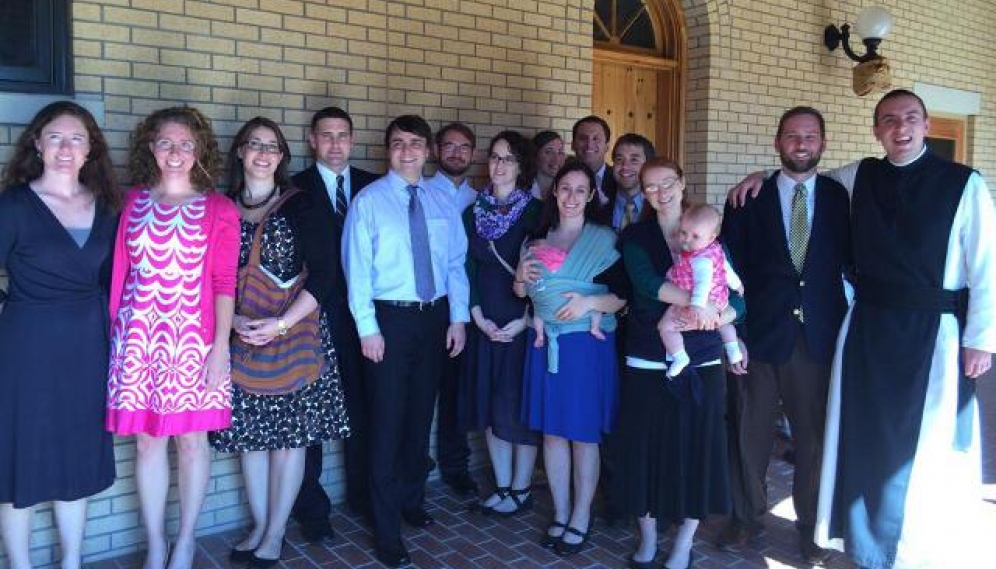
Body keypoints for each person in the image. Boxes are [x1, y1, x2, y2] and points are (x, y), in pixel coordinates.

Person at [728, 89, 996, 569]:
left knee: (922, 439)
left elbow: (986, 266)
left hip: (932, 332)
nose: (900, 128)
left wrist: (981, 338)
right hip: (867, 329)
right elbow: (804, 179)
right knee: (860, 433)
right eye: (889, 120)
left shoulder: (965, 183)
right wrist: (762, 177)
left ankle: (915, 538)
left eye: (910, 118)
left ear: (927, 124)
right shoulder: (860, 176)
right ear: (876, 130)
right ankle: (854, 530)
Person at [208, 117, 350, 566]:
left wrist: (282, 323)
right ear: (240, 152)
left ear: (283, 156)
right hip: (244, 335)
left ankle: (274, 533)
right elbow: (211, 277)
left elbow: (326, 274)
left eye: (272, 146)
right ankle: (259, 524)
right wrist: (233, 325)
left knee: (289, 441)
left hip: (295, 336)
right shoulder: (222, 208)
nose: (264, 153)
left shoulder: (302, 206)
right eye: (255, 145)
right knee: (250, 439)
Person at [105, 106, 239, 569]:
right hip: (137, 339)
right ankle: (156, 543)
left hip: (195, 342)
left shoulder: (219, 208)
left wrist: (221, 346)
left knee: (192, 442)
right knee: (146, 442)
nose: (176, 152)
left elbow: (225, 282)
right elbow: (119, 276)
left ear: (199, 149)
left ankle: (185, 541)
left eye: (185, 143)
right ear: (151, 147)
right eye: (165, 142)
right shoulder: (130, 202)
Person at [718, 106, 851, 566]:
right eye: (792, 136)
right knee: (748, 431)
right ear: (777, 142)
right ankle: (746, 517)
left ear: (823, 143)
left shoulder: (841, 198)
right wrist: (731, 331)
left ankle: (811, 526)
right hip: (758, 335)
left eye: (810, 136)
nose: (801, 144)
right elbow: (727, 266)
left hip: (816, 337)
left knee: (812, 439)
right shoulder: (746, 199)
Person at [342, 115, 470, 568]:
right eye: (398, 144)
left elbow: (455, 264)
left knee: (420, 416)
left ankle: (411, 500)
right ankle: (386, 525)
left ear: (429, 149)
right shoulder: (369, 202)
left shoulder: (441, 201)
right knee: (387, 423)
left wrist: (457, 320)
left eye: (416, 143)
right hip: (389, 322)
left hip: (433, 319)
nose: (408, 151)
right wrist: (367, 328)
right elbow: (356, 272)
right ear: (387, 150)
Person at [0, 101, 119, 569]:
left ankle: (72, 561)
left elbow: (118, 281)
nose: (65, 148)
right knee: (20, 455)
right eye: (55, 137)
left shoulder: (107, 209)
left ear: (90, 149)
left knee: (77, 455)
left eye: (76, 139)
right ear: (37, 143)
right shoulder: (13, 205)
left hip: (88, 349)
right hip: (24, 350)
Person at [611, 157, 732, 569]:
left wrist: (722, 315)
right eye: (649, 186)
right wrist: (701, 305)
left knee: (698, 451)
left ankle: (683, 543)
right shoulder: (635, 236)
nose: (660, 192)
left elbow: (740, 298)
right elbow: (647, 285)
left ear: (682, 182)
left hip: (702, 361)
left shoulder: (711, 235)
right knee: (643, 451)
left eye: (667, 183)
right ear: (642, 193)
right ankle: (647, 536)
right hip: (647, 358)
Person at [514, 161, 627, 557]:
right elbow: (524, 293)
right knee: (552, 433)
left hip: (585, 348)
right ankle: (560, 513)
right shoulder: (536, 238)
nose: (572, 196)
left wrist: (588, 301)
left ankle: (582, 514)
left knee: (583, 435)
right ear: (554, 192)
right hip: (546, 346)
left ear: (592, 195)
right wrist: (519, 276)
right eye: (565, 188)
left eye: (581, 189)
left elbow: (622, 297)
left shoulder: (605, 239)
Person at [290, 106, 378, 538]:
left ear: (352, 138)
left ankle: (363, 496)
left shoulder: (371, 186)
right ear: (311, 140)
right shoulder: (294, 189)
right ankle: (312, 511)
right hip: (312, 316)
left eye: (343, 135)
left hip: (363, 320)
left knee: (362, 407)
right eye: (326, 136)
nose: (336, 143)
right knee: (311, 417)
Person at [459, 131, 543, 516]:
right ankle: (504, 485)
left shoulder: (537, 213)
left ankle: (522, 489)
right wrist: (476, 315)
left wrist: (526, 320)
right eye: (494, 157)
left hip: (522, 326)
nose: (500, 165)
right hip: (485, 324)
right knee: (491, 410)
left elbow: (546, 276)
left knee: (517, 409)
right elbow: (466, 268)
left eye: (509, 159)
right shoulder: (472, 213)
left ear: (522, 166)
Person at [423, 122, 479, 498]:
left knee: (458, 393)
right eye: (449, 146)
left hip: (473, 313)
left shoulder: (484, 200)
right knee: (423, 392)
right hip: (430, 309)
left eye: (464, 148)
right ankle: (417, 466)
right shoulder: (421, 193)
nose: (456, 153)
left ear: (473, 154)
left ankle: (455, 465)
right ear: (435, 150)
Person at [657, 203, 743, 377]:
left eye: (695, 236)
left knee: (665, 327)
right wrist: (737, 285)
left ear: (711, 237)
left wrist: (697, 305)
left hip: (700, 300)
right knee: (723, 324)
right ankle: (733, 350)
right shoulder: (715, 250)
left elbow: (702, 283)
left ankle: (679, 356)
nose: (687, 239)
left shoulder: (700, 260)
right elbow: (726, 270)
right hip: (720, 299)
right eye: (683, 233)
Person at [570, 116, 615, 226]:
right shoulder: (561, 179)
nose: (589, 144)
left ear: (607, 146)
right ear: (572, 145)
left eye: (596, 138)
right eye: (582, 138)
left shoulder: (618, 181)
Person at [609, 133, 655, 231]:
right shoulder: (599, 204)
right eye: (619, 159)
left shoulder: (658, 207)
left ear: (648, 166)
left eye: (634, 160)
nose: (625, 166)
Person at [531, 130, 566, 200]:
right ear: (535, 155)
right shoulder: (523, 189)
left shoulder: (569, 189)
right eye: (549, 152)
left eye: (560, 152)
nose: (556, 159)